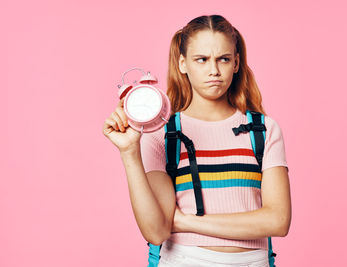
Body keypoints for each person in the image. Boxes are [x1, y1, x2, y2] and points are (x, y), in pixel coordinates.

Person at [103, 14, 291, 267]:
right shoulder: (163, 132)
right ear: (182, 63)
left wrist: (184, 221)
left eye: (223, 59)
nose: (214, 70)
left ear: (236, 63)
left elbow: (278, 221)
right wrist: (129, 152)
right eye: (201, 60)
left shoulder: (263, 129)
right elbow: (156, 231)